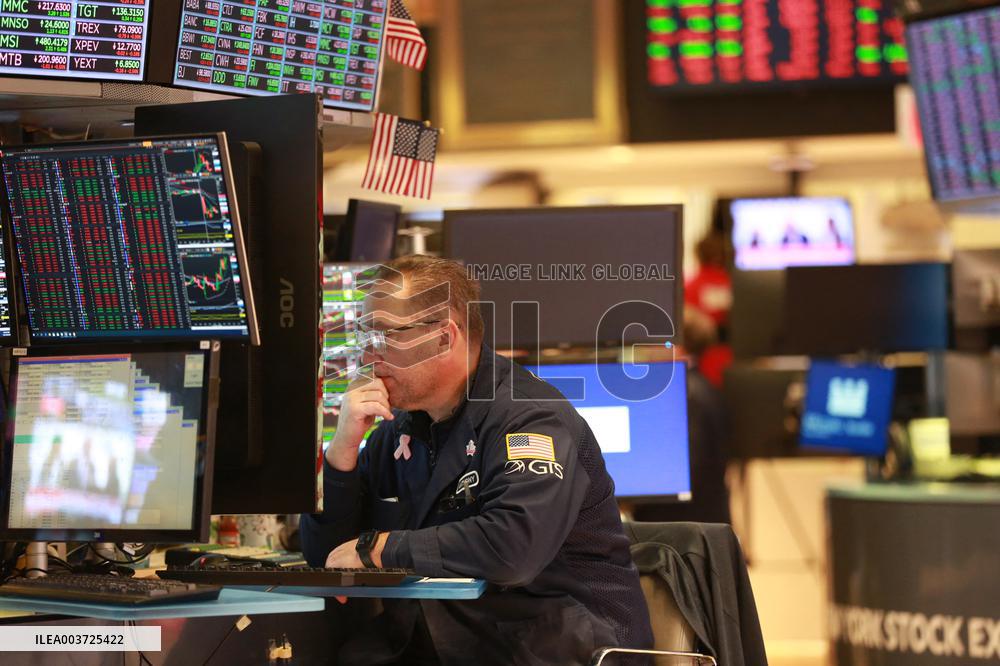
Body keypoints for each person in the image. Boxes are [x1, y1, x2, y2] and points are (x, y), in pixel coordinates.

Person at [300, 255, 653, 665]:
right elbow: (326, 557)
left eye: (384, 336)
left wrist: (382, 548)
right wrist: (342, 451)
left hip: (551, 648)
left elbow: (513, 548)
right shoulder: (401, 428)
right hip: (443, 644)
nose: (368, 356)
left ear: (446, 337)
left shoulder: (530, 417)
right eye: (364, 338)